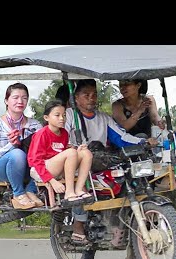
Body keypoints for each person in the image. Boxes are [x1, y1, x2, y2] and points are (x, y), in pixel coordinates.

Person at [64, 79, 158, 243]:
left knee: (127, 175)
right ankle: (78, 224)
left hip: (101, 158)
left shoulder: (103, 118)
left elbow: (121, 137)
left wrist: (143, 142)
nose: (91, 98)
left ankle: (120, 224)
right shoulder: (70, 116)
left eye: (94, 95)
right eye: (86, 95)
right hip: (76, 161)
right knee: (81, 181)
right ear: (76, 98)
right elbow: (61, 136)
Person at [0, 82, 43, 209]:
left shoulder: (35, 125)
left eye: (24, 98)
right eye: (15, 97)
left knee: (52, 158)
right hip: (0, 168)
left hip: (28, 169)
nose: (20, 101)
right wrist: (12, 145)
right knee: (17, 154)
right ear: (6, 100)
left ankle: (30, 190)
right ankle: (19, 194)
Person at [27, 99, 93, 207]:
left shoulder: (64, 133)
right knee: (71, 152)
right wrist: (51, 180)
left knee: (86, 153)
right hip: (40, 170)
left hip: (57, 167)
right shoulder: (41, 134)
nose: (62, 119)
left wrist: (77, 150)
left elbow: (62, 154)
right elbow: (34, 161)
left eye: (64, 115)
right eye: (57, 115)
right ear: (46, 118)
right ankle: (69, 192)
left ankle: (79, 189)